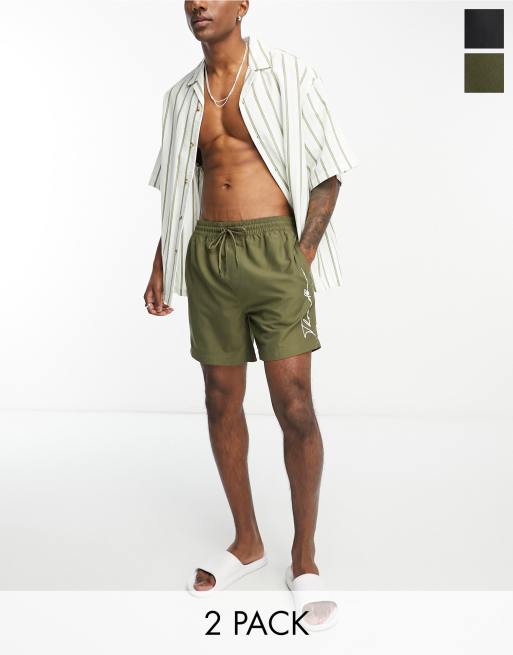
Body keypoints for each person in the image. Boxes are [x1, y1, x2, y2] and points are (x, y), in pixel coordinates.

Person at [144, 1, 359, 630]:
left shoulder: (289, 74)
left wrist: (301, 255)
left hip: (275, 251)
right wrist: (160, 262)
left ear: (242, 4)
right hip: (206, 252)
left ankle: (304, 557)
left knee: (296, 406)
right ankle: (247, 542)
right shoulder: (180, 97)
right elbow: (179, 191)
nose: (197, 4)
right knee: (220, 399)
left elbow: (328, 172)